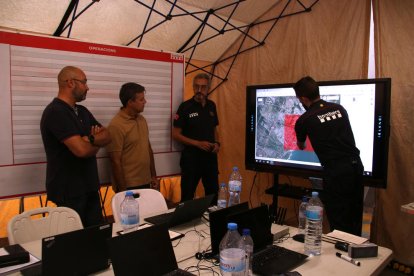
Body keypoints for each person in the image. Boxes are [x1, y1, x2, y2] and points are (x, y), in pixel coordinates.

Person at [40, 66, 111, 227]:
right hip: (68, 191)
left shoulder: (82, 111)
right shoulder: (56, 112)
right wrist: (93, 141)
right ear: (70, 83)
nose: (87, 87)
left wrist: (90, 138)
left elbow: (108, 135)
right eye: (84, 82)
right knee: (75, 243)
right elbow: (81, 150)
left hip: (89, 186)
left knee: (95, 238)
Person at [294, 76, 364, 236]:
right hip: (356, 166)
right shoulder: (339, 108)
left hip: (336, 172)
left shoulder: (304, 120)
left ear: (303, 99)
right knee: (355, 216)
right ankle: (354, 250)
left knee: (339, 219)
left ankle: (342, 253)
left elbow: (301, 145)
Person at [172, 73, 220, 202]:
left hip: (210, 160)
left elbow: (215, 129)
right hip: (191, 161)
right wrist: (197, 143)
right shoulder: (185, 107)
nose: (199, 91)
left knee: (213, 196)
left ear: (208, 88)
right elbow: (175, 134)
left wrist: (217, 143)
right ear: (193, 87)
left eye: (203, 87)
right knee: (187, 197)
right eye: (196, 87)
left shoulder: (212, 106)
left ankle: (211, 221)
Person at [106, 82, 158, 192]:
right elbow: (115, 161)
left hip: (146, 181)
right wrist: (124, 191)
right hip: (129, 186)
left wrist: (153, 176)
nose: (145, 102)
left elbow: (148, 149)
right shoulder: (116, 125)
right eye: (141, 100)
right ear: (130, 102)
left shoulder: (141, 119)